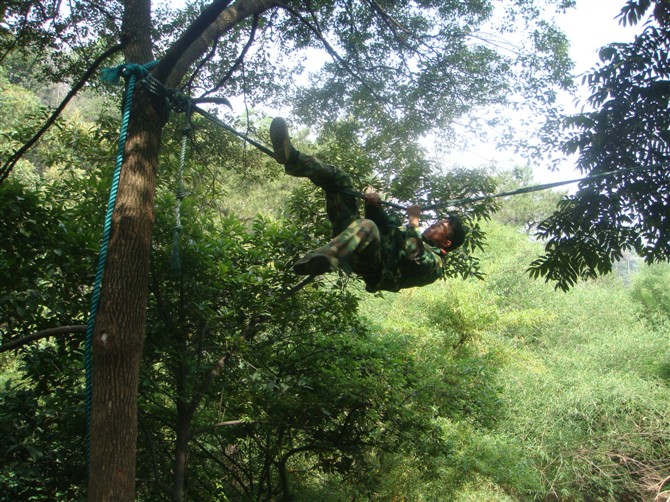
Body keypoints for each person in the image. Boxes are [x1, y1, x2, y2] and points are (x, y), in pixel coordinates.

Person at [269, 117, 465, 293]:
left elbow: (415, 256)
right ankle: (291, 157)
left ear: (446, 243)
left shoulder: (436, 264)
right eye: (439, 221)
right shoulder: (405, 234)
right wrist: (374, 205)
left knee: (367, 227)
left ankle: (324, 259)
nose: (435, 224)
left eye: (442, 226)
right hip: (355, 237)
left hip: (371, 264)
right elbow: (383, 223)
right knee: (340, 180)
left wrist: (414, 222)